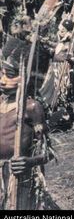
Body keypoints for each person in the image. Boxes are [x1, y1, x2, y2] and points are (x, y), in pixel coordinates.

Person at [0, 41, 56, 210]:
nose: (2, 80)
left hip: (18, 177)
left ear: (25, 78)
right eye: (1, 73)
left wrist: (30, 161)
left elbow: (48, 153)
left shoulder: (31, 108)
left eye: (9, 75)